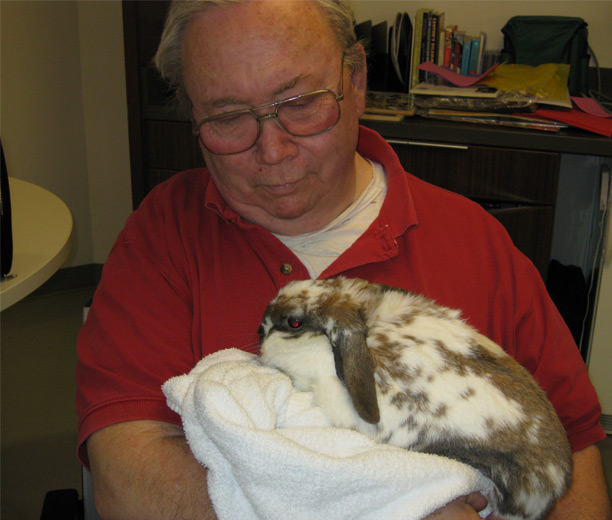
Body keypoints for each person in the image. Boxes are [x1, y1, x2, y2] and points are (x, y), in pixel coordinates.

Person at [76, 1, 611, 519]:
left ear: (355, 82)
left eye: (301, 103)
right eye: (227, 117)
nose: (272, 151)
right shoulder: (163, 235)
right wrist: (385, 508)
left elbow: (572, 459)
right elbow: (127, 483)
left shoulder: (477, 242)